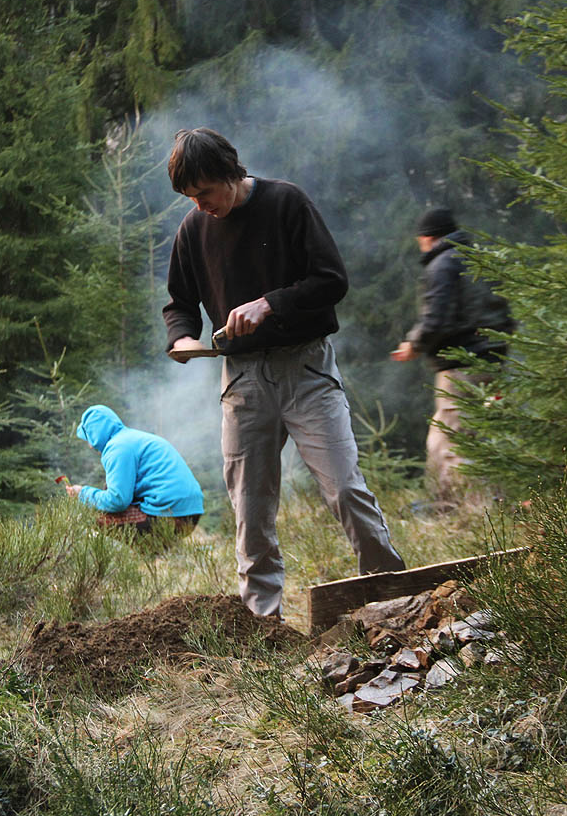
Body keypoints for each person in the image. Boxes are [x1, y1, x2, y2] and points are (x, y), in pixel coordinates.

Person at [162, 127, 404, 618]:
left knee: (345, 487)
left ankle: (393, 595)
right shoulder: (193, 230)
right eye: (190, 197)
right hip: (242, 379)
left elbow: (331, 280)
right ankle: (262, 623)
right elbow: (179, 304)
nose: (200, 204)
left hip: (307, 369)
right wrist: (182, 338)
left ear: (229, 172)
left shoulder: (287, 203)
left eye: (204, 192)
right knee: (250, 508)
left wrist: (271, 304)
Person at [390, 207, 515, 503]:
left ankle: (465, 513)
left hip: (463, 365)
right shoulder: (477, 258)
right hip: (493, 362)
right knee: (474, 435)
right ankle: (472, 503)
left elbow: (437, 319)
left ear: (428, 237)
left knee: (450, 440)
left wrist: (413, 344)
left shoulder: (442, 264)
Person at [64, 404, 204, 537]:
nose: (89, 446)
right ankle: (156, 557)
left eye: (88, 438)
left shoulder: (117, 448)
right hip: (191, 511)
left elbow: (117, 500)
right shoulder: (131, 439)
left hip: (170, 515)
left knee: (90, 517)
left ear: (96, 434)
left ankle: (142, 558)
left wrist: (82, 494)